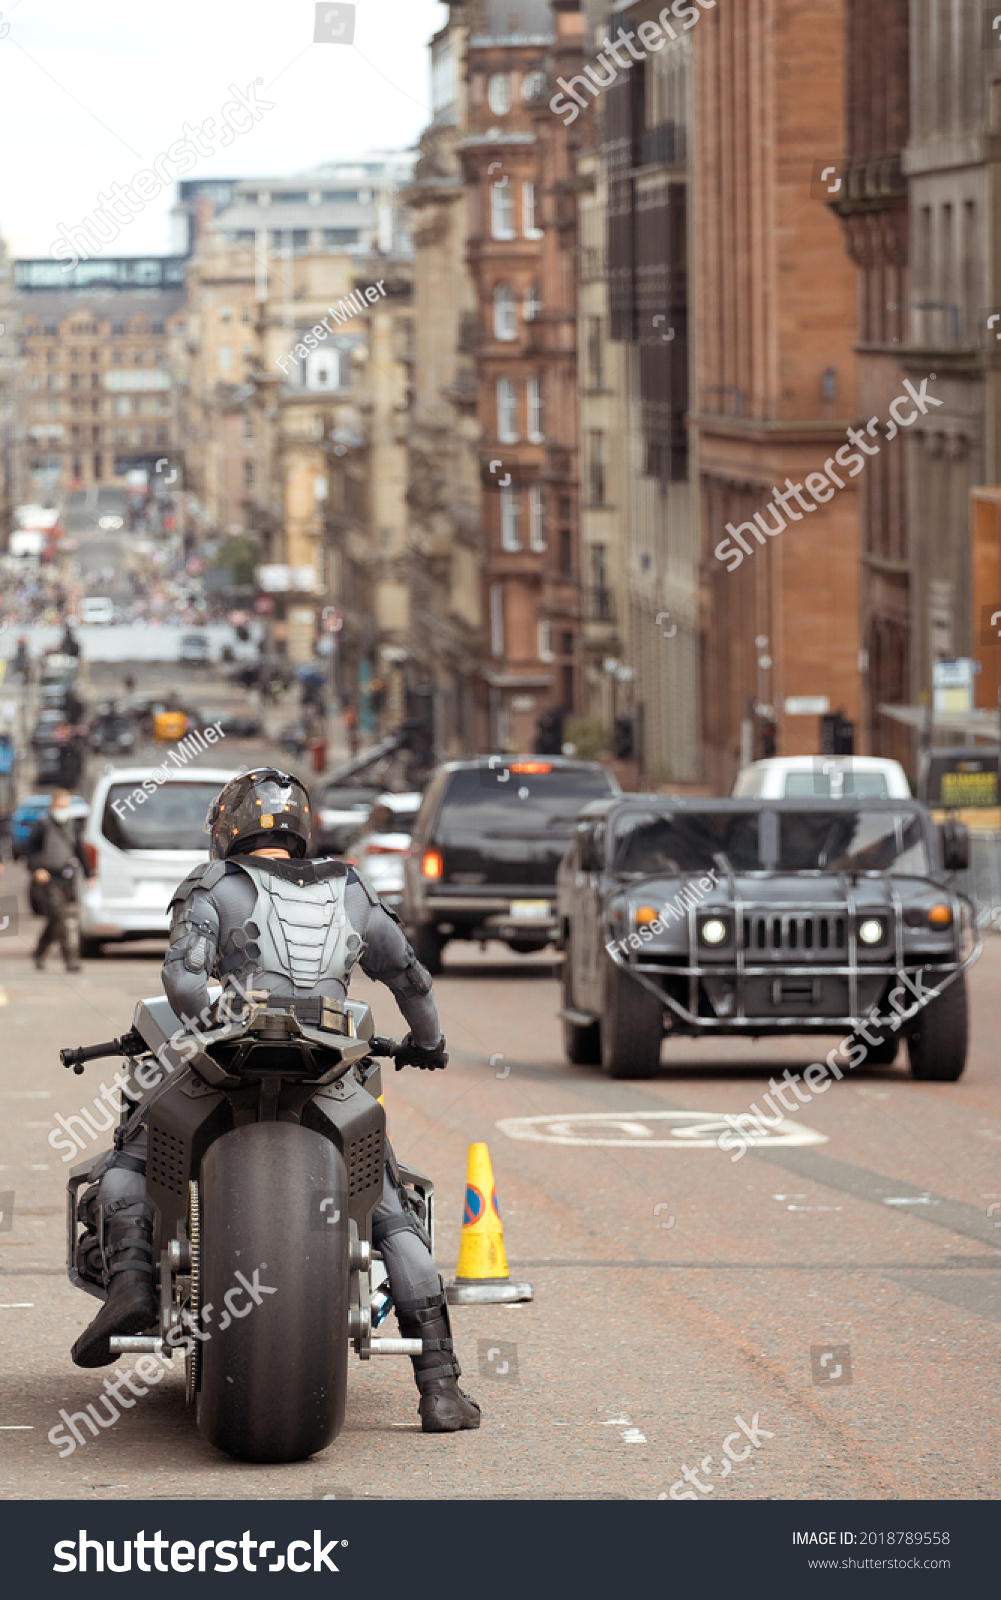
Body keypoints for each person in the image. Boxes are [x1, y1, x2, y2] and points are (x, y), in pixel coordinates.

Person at [69, 768, 480, 1435]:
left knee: (132, 1158)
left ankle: (132, 1285)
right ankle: (439, 1388)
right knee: (388, 1211)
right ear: (300, 826)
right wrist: (427, 1042)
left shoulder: (211, 885)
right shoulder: (350, 886)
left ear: (227, 829)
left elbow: (181, 978)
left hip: (221, 1062)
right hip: (329, 1072)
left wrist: (212, 1023)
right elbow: (409, 975)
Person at [26, 789, 90, 972]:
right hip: (48, 878)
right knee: (60, 917)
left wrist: (89, 874)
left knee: (56, 919)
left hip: (66, 878)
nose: (64, 809)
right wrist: (36, 869)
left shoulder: (72, 826)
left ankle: (39, 951)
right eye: (61, 805)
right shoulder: (42, 825)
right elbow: (29, 850)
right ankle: (70, 959)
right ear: (52, 806)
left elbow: (79, 851)